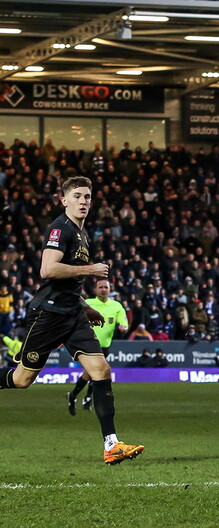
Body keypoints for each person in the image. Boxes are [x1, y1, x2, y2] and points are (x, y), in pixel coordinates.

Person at [0, 176, 144, 464]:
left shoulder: (83, 233)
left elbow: (70, 279)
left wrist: (84, 307)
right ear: (63, 200)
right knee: (22, 379)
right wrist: (91, 270)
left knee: (101, 369)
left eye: (87, 197)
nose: (83, 201)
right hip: (50, 313)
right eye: (77, 196)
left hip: (73, 314)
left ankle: (111, 445)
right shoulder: (60, 228)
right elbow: (48, 269)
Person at [67, 278, 128, 416]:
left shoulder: (117, 306)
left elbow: (123, 321)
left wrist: (123, 327)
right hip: (88, 344)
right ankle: (87, 398)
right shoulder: (88, 304)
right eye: (100, 287)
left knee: (91, 374)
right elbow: (74, 320)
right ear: (95, 290)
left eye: (106, 287)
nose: (103, 289)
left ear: (110, 289)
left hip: (104, 346)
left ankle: (74, 395)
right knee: (96, 373)